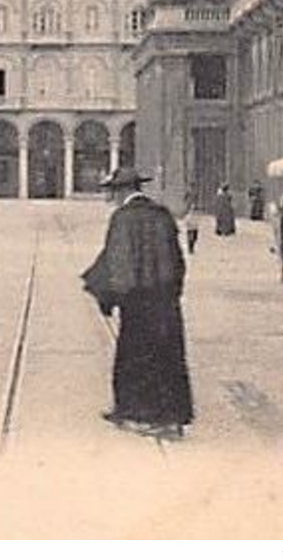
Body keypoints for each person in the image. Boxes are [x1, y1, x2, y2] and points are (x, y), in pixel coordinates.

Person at [82, 166, 194, 438]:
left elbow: (116, 263)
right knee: (168, 357)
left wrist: (108, 298)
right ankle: (171, 418)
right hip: (165, 301)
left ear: (122, 191)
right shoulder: (162, 215)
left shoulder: (122, 219)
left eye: (113, 193)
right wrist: (172, 293)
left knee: (133, 357)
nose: (113, 198)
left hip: (137, 303)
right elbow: (178, 262)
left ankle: (133, 411)